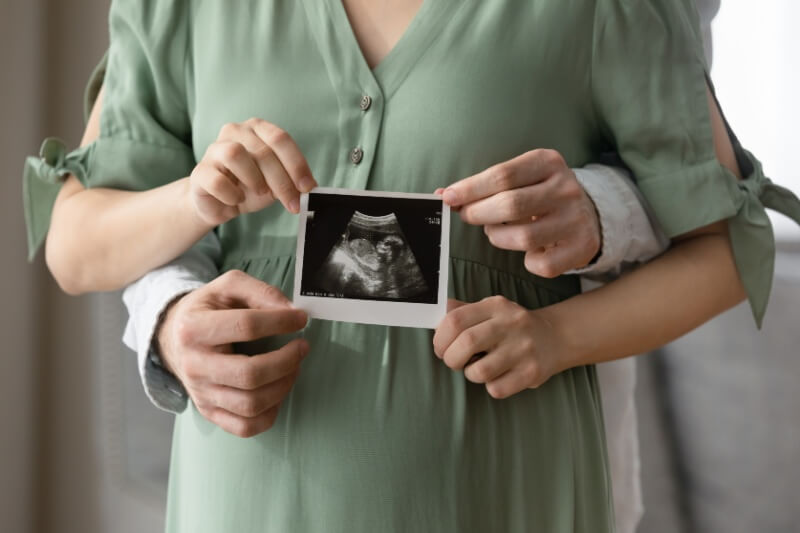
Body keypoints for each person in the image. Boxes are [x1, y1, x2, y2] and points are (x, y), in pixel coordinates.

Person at [22, 1, 800, 532]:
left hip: (504, 492)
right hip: (247, 499)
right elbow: (75, 241)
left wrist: (559, 335)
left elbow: (731, 241)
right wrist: (190, 217)